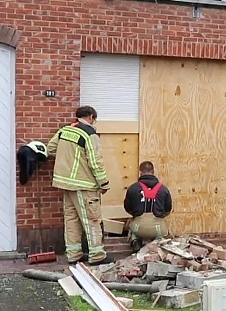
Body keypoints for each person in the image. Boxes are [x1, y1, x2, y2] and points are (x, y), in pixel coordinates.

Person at [47, 106, 113, 265]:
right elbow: (95, 162)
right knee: (92, 219)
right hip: (85, 186)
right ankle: (97, 255)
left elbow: (50, 149)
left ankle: (73, 254)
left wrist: (68, 161)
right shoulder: (90, 134)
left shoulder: (64, 131)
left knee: (71, 220)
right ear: (91, 117)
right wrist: (103, 183)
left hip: (65, 184)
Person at [123, 160, 173, 252]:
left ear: (140, 172)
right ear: (153, 172)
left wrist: (136, 215)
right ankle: (159, 241)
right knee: (164, 229)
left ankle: (135, 241)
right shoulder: (163, 189)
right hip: (158, 229)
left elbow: (127, 208)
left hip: (139, 228)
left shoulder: (133, 188)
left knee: (131, 222)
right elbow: (168, 210)